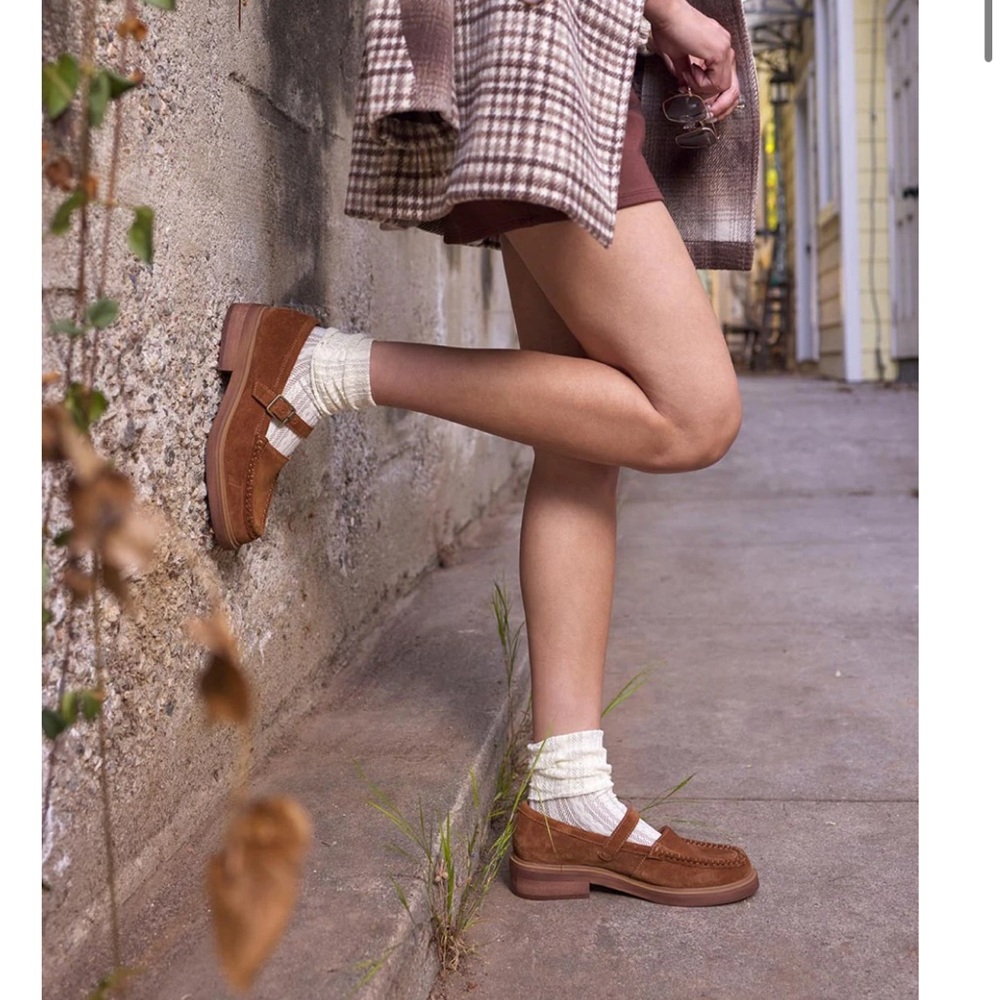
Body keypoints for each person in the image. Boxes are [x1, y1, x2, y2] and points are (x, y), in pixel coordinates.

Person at [206, 0, 759, 906]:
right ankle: (318, 367)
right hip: (550, 30)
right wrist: (672, 11)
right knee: (694, 412)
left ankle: (567, 799)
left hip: (584, 40)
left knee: (585, 435)